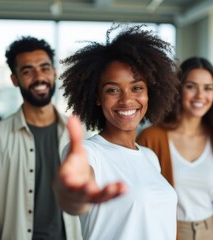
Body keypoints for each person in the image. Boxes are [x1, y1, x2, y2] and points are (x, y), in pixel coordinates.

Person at [53, 25, 180, 240]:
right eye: (112, 90)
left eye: (137, 88)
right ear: (97, 97)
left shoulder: (150, 157)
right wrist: (74, 193)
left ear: (150, 93)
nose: (127, 99)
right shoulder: (88, 153)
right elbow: (76, 199)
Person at [0, 36, 82, 239]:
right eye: (28, 71)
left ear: (54, 73)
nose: (39, 77)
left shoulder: (76, 133)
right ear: (14, 79)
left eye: (45, 68)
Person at [137, 57, 213, 240]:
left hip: (212, 231)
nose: (200, 96)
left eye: (208, 88)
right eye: (191, 86)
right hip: (170, 232)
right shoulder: (151, 138)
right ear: (178, 89)